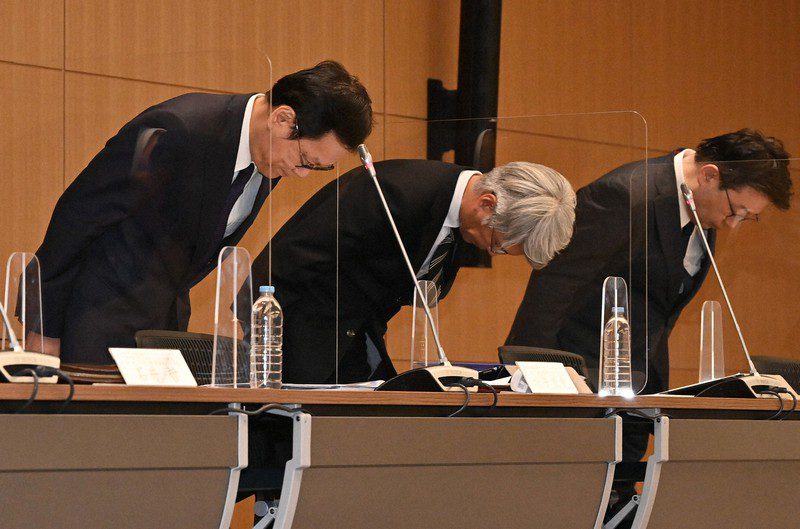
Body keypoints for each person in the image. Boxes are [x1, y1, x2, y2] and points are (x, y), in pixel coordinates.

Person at [33, 61, 374, 364]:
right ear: (281, 118)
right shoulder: (179, 128)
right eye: (306, 161)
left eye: (316, 167)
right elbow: (78, 218)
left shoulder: (270, 155)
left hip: (162, 333)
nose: (301, 174)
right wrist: (43, 327)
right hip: (91, 325)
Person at [506, 129, 792, 395]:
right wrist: (530, 378)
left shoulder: (703, 206)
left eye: (747, 217)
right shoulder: (625, 195)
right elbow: (554, 287)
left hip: (640, 386)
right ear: (708, 175)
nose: (732, 225)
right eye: (735, 211)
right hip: (577, 380)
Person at [251, 159, 577, 383]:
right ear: (487, 204)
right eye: (499, 244)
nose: (492, 252)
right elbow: (289, 258)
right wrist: (267, 345)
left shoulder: (464, 220)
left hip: (357, 341)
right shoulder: (392, 190)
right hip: (296, 343)